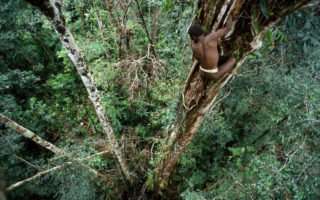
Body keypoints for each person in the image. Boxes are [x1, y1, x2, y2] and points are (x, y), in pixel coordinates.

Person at [188, 17, 236, 94]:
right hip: (213, 74)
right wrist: (231, 16)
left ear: (193, 37)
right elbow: (227, 28)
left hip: (202, 72)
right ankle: (205, 82)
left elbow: (198, 58)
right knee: (233, 59)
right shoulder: (212, 37)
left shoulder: (194, 48)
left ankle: (199, 89)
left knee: (204, 78)